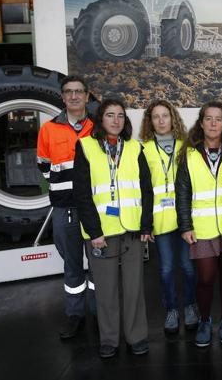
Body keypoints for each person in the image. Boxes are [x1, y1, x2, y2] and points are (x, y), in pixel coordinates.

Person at [73, 98, 153, 358]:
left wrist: (145, 225)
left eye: (120, 115)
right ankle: (109, 339)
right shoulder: (85, 147)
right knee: (105, 289)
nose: (116, 120)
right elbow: (82, 194)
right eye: (110, 115)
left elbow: (146, 190)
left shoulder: (134, 148)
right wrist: (94, 231)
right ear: (100, 119)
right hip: (101, 234)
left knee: (134, 287)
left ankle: (136, 336)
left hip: (131, 229)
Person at [36, 75, 96, 339]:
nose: (73, 96)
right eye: (68, 92)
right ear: (62, 97)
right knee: (72, 264)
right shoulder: (48, 129)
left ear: (86, 96)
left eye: (78, 92)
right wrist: (65, 187)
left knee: (98, 265)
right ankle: (75, 315)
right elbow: (44, 166)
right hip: (65, 209)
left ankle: (98, 312)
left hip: (95, 209)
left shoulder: (98, 126)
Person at [176, 101, 222, 347]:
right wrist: (185, 226)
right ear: (201, 123)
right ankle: (204, 320)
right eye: (209, 119)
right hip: (201, 229)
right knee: (205, 278)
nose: (213, 123)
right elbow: (182, 193)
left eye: (219, 119)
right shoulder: (189, 154)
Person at [139, 100, 198, 334]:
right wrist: (147, 224)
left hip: (185, 219)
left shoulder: (187, 147)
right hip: (160, 220)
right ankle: (171, 309)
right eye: (156, 117)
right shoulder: (143, 149)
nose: (161, 121)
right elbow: (143, 189)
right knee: (165, 269)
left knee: (188, 267)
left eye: (166, 115)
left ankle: (191, 306)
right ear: (150, 121)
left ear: (173, 118)